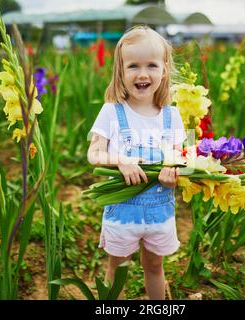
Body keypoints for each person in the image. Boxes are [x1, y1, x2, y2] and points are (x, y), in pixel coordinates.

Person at [87, 25, 186, 300]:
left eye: (151, 65)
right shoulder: (111, 112)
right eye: (133, 66)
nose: (142, 74)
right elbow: (94, 155)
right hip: (122, 212)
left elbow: (180, 155)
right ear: (120, 71)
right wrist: (120, 160)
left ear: (164, 69)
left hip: (160, 214)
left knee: (154, 264)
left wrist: (172, 169)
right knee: (117, 266)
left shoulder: (172, 116)